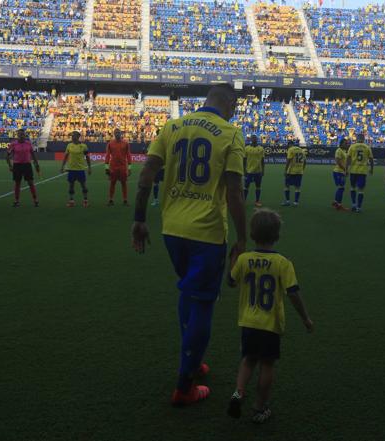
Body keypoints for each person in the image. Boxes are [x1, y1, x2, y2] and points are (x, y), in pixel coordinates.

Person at [131, 83, 247, 406]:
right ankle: (185, 387)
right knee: (204, 304)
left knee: (187, 291)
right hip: (207, 234)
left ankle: (192, 360)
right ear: (230, 105)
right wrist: (242, 238)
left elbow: (146, 174)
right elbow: (235, 192)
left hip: (172, 229)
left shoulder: (172, 126)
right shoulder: (231, 134)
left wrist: (139, 218)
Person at [227, 208, 313, 423]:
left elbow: (230, 282)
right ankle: (259, 408)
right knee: (267, 365)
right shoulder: (283, 263)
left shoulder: (245, 259)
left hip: (248, 322)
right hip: (270, 324)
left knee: (248, 360)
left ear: (253, 234)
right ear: (277, 235)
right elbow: (293, 293)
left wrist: (233, 259)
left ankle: (238, 393)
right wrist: (305, 318)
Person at [6, 129, 40, 207]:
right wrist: (10, 166)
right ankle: (16, 201)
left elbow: (33, 155)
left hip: (27, 165)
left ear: (25, 135)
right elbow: (7, 156)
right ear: (17, 135)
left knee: (30, 183)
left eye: (23, 134)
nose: (21, 136)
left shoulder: (28, 144)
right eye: (20, 134)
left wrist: (36, 164)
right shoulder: (13, 144)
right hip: (17, 165)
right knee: (17, 183)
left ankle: (35, 200)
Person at [60, 131, 91, 208]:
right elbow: (66, 156)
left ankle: (85, 200)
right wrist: (62, 166)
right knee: (71, 185)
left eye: (73, 136)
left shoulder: (84, 146)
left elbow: (87, 157)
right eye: (72, 136)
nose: (72, 137)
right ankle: (71, 201)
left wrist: (89, 167)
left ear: (77, 137)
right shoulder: (69, 145)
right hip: (71, 169)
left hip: (80, 169)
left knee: (83, 185)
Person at [346, 133, 373, 213]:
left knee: (352, 188)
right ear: (364, 139)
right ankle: (359, 207)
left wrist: (346, 169)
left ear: (357, 139)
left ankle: (354, 204)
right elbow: (371, 159)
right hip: (362, 171)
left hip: (353, 170)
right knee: (361, 190)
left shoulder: (352, 147)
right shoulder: (367, 147)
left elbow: (348, 159)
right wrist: (371, 169)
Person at [105, 129, 131, 206]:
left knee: (124, 183)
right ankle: (111, 200)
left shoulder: (125, 143)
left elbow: (128, 155)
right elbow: (107, 155)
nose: (117, 134)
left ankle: (125, 200)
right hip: (113, 167)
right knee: (112, 183)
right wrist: (106, 167)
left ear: (121, 134)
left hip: (123, 166)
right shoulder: (110, 143)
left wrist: (129, 168)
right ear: (114, 134)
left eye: (118, 133)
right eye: (116, 133)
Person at [282, 141, 306, 207]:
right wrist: (302, 170)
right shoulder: (301, 150)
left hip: (291, 171)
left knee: (287, 186)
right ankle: (296, 202)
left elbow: (288, 160)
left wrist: (285, 170)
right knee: (297, 187)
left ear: (289, 145)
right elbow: (305, 162)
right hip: (299, 172)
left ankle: (287, 201)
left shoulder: (291, 149)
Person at [244, 135, 265, 207]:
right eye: (253, 138)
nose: (254, 139)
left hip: (258, 171)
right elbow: (244, 159)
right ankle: (244, 201)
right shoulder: (246, 148)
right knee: (246, 186)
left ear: (257, 139)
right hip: (248, 171)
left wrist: (263, 170)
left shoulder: (261, 148)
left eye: (255, 138)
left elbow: (262, 160)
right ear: (250, 139)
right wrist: (244, 170)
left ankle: (257, 201)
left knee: (258, 186)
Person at [332, 137, 349, 211]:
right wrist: (345, 169)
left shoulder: (344, 151)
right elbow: (338, 161)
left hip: (341, 171)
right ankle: (339, 205)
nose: (347, 145)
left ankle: (336, 202)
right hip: (338, 171)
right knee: (341, 188)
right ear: (341, 144)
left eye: (347, 143)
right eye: (345, 143)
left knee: (340, 187)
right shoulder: (339, 150)